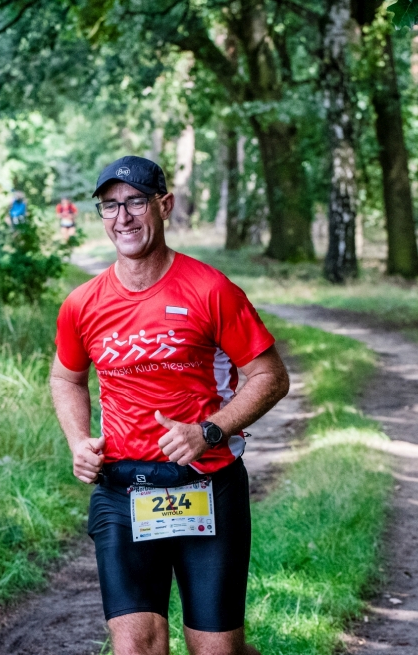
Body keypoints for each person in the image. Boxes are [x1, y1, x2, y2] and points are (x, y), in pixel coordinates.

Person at [50, 156, 290, 655]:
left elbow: (271, 376)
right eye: (110, 205)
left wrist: (209, 430)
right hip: (122, 490)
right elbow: (66, 377)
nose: (123, 217)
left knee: (217, 650)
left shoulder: (211, 290)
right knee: (137, 646)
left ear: (165, 205)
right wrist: (78, 441)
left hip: (207, 485)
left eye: (136, 202)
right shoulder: (83, 303)